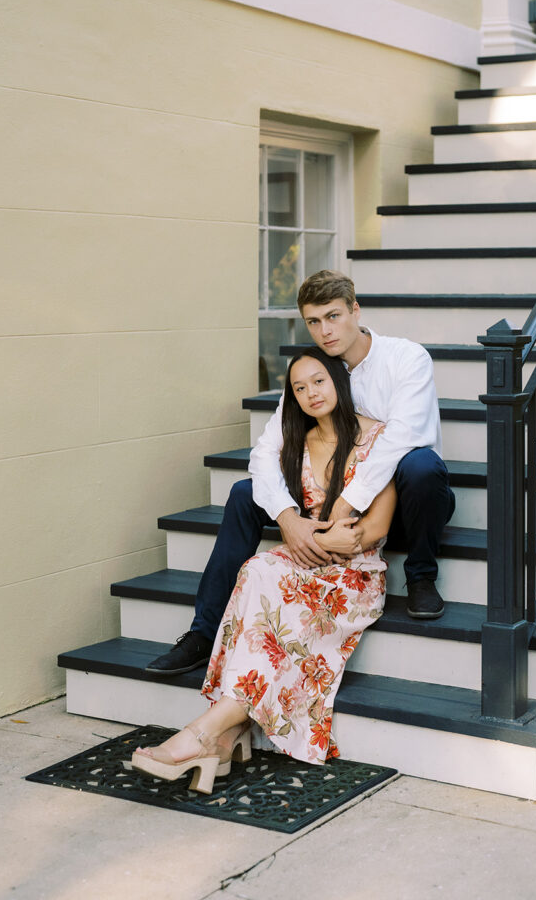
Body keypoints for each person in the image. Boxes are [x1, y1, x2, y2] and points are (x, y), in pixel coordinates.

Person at [146, 269, 454, 678]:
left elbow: (400, 440)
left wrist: (344, 505)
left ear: (355, 311)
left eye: (333, 316)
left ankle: (421, 575)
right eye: (313, 321)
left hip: (401, 504)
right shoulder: (314, 372)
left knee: (420, 465)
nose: (324, 331)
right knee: (244, 492)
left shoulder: (406, 358)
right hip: (324, 504)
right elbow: (265, 452)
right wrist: (289, 519)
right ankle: (203, 633)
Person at [132, 347, 396, 789]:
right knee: (257, 568)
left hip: (353, 573)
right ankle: (225, 731)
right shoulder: (295, 442)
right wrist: (313, 538)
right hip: (307, 557)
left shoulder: (378, 438)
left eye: (319, 381)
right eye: (299, 387)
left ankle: (207, 733)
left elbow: (375, 528)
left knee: (279, 597)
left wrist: (329, 541)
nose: (311, 393)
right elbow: (275, 496)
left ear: (338, 381)